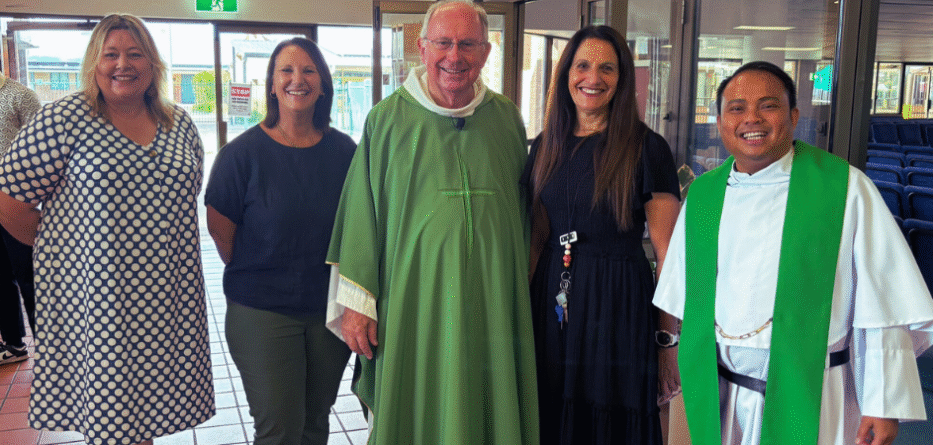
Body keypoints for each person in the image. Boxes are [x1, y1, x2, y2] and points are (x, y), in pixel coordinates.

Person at [653, 61, 933, 445]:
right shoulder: (703, 195)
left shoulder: (844, 188)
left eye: (768, 106)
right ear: (720, 123)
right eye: (736, 108)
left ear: (793, 116)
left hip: (816, 393)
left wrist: (882, 402)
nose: (752, 118)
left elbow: (883, 306)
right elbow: (681, 299)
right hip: (722, 395)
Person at [325, 0, 539, 443]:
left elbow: (524, 216)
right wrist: (359, 306)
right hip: (412, 308)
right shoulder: (387, 121)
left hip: (492, 303)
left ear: (485, 52)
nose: (454, 56)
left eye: (468, 44)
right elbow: (361, 219)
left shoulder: (506, 120)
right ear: (422, 48)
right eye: (443, 43)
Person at [0, 14, 214, 445]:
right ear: (93, 62)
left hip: (166, 302)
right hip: (100, 307)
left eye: (136, 54)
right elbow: (10, 201)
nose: (123, 64)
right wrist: (65, 251)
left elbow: (185, 201)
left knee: (148, 417)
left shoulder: (180, 124)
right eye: (110, 54)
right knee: (111, 423)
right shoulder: (64, 120)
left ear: (153, 64)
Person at [523, 25, 681, 444]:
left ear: (622, 78)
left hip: (619, 304)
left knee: (612, 422)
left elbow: (670, 256)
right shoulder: (544, 147)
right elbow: (539, 239)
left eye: (607, 68)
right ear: (566, 75)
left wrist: (668, 342)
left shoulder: (648, 148)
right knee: (553, 415)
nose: (593, 78)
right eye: (583, 66)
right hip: (554, 304)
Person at [205, 37, 355, 445]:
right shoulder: (241, 155)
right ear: (271, 84)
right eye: (286, 71)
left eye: (308, 71)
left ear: (323, 84)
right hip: (262, 312)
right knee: (279, 430)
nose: (297, 79)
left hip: (329, 313)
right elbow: (222, 230)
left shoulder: (345, 153)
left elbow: (358, 228)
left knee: (314, 422)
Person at [0, 71, 39, 365]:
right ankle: (13, 345)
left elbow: (42, 151)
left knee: (31, 279)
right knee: (0, 278)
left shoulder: (21, 96)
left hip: (19, 203)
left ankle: (52, 351)